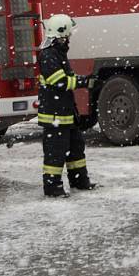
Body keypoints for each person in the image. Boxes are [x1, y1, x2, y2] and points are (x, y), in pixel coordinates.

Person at [37, 14, 97, 197]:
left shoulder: (57, 53)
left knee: (76, 149)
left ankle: (79, 181)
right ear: (61, 34)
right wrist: (83, 82)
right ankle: (53, 188)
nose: (69, 38)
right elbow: (60, 82)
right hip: (54, 116)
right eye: (68, 35)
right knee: (56, 154)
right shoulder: (48, 55)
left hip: (65, 113)